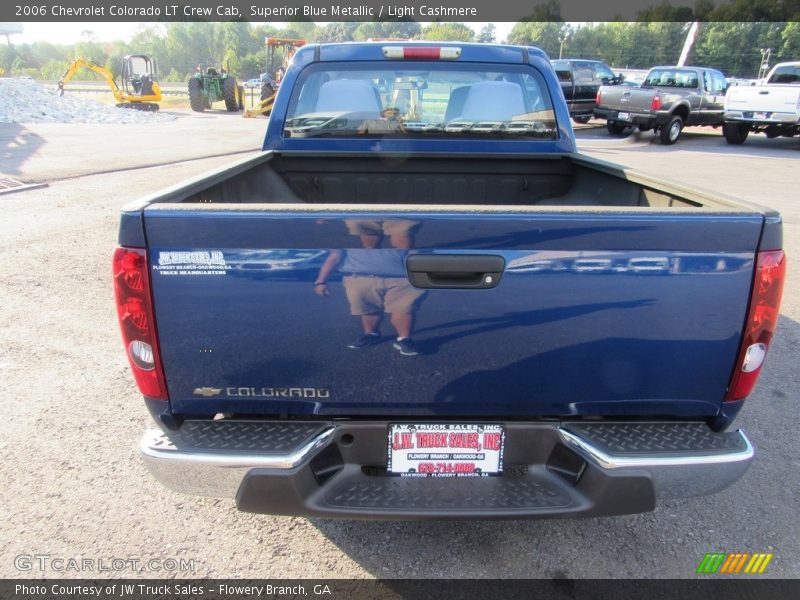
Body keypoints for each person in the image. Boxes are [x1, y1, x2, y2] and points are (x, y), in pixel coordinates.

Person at [314, 219, 425, 356]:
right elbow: (334, 256)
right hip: (361, 277)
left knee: (404, 309)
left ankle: (404, 340)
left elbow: (415, 253)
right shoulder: (346, 234)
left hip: (403, 277)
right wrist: (321, 281)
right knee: (368, 309)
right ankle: (371, 335)